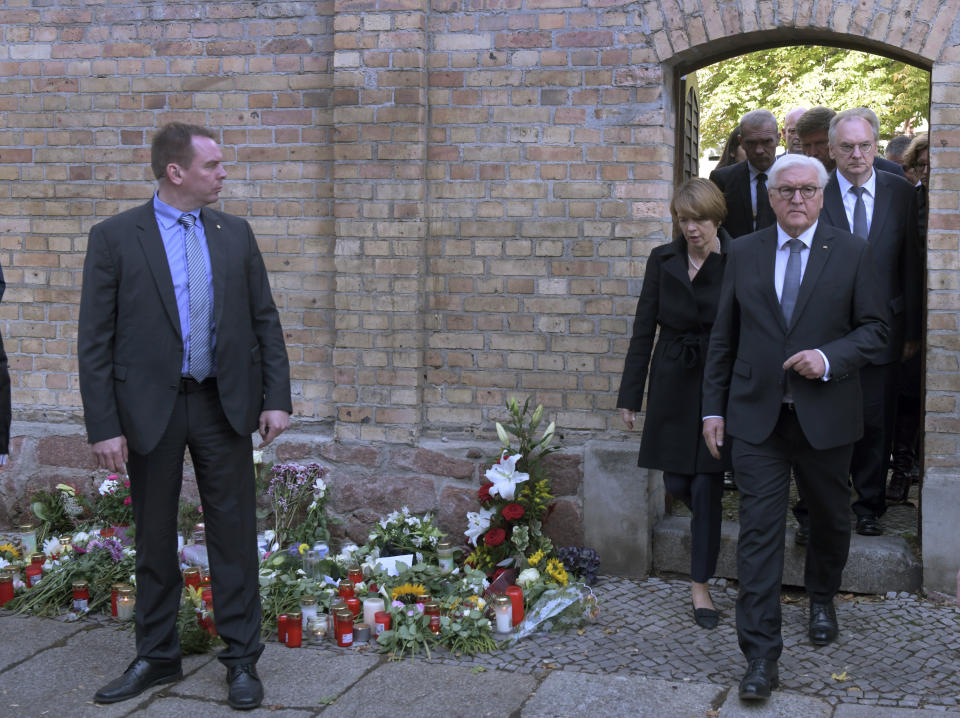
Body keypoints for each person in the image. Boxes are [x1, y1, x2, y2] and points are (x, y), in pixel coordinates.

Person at [78, 123, 292, 711]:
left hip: (223, 404)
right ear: (177, 172)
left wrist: (277, 397)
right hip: (151, 409)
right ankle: (156, 656)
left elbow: (264, 320)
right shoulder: (117, 237)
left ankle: (242, 661)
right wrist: (104, 426)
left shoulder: (234, 234)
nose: (224, 173)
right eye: (213, 165)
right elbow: (94, 340)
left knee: (234, 534)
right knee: (152, 535)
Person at [702, 153, 887, 702]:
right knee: (758, 534)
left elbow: (877, 330)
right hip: (757, 418)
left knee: (830, 519)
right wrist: (713, 409)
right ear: (772, 197)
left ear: (822, 195)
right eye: (787, 191)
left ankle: (823, 594)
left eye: (808, 190)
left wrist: (828, 359)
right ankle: (760, 656)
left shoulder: (853, 252)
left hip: (826, 417)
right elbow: (723, 337)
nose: (798, 199)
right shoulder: (744, 251)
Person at [617, 178, 732, 630]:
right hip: (670, 378)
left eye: (699, 219)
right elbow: (644, 328)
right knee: (677, 481)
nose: (691, 228)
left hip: (716, 380)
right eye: (683, 220)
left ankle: (700, 585)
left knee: (705, 485)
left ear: (716, 219)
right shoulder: (662, 260)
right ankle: (704, 547)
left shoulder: (738, 258)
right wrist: (631, 396)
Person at [815, 107, 921, 536]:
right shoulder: (815, 192)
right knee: (822, 421)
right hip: (827, 330)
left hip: (886, 327)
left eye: (864, 145)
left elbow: (911, 265)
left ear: (875, 145)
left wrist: (912, 330)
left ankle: (869, 507)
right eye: (847, 147)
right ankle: (819, 506)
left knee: (877, 421)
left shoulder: (901, 192)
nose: (857, 154)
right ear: (832, 150)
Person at [888, 133, 929, 503]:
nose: (927, 172)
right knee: (907, 394)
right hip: (914, 310)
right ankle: (900, 472)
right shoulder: (908, 202)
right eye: (921, 165)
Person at [709, 110, 780, 238]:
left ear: (778, 139)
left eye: (766, 142)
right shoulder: (722, 180)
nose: (759, 150)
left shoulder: (796, 179)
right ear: (741, 141)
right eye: (751, 143)